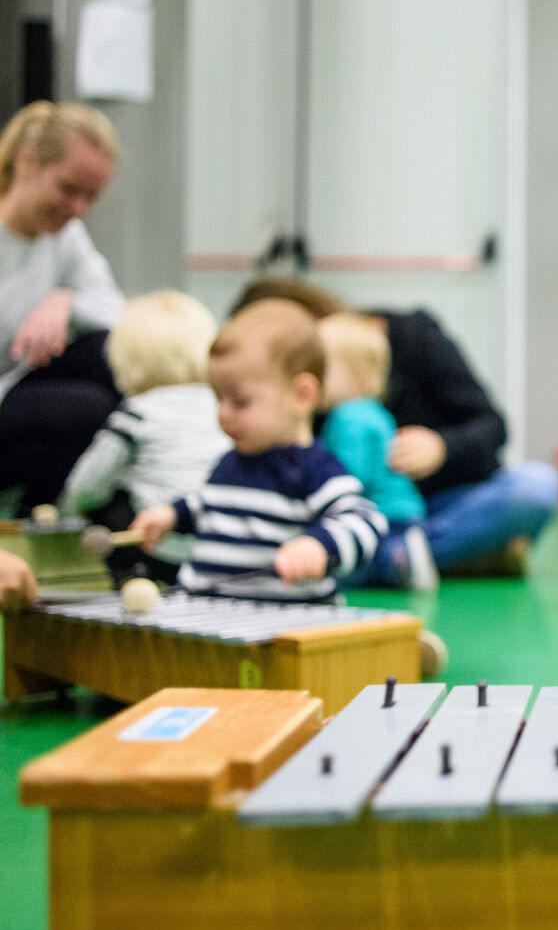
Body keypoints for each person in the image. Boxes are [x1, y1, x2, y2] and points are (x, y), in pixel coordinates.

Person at [230, 278, 558, 579]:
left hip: (442, 504)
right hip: (354, 515)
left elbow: (492, 426)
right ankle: (443, 557)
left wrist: (441, 447)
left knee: (536, 487)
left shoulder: (413, 335)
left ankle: (390, 560)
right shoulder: (303, 392)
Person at [130, 299, 387, 601]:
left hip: (286, 626)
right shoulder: (230, 462)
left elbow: (366, 520)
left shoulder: (314, 469)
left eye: (240, 401)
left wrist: (319, 546)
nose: (223, 413)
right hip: (208, 612)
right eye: (218, 398)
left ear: (301, 395)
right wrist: (173, 515)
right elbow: (212, 505)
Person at [0, 101, 125, 513]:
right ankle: (31, 510)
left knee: (110, 354)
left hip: (16, 392)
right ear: (28, 162)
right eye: (69, 189)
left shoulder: (65, 236)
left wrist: (64, 301)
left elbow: (118, 314)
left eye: (92, 196)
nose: (79, 208)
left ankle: (52, 509)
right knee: (87, 407)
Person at [59, 290, 232, 583]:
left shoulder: (137, 413)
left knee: (109, 497)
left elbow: (87, 487)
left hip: (157, 549)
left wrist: (66, 515)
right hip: (217, 546)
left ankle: (128, 579)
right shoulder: (222, 408)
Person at [316, 311, 437, 590]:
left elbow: (349, 475)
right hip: (404, 511)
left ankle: (399, 558)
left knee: (353, 564)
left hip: (384, 513)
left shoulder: (349, 417)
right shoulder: (373, 411)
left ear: (355, 374)